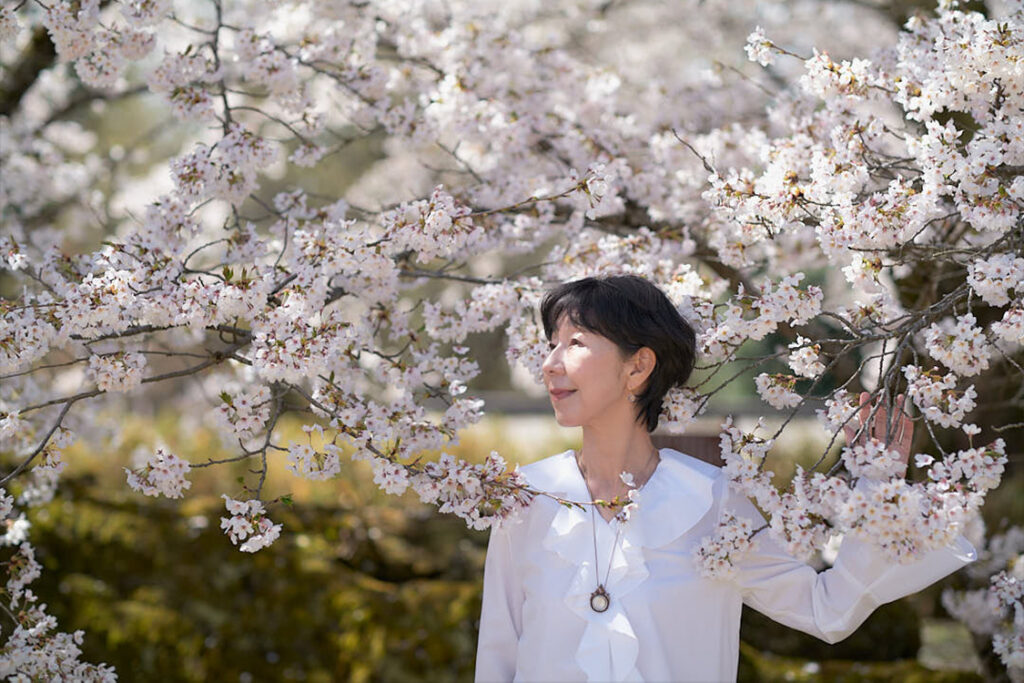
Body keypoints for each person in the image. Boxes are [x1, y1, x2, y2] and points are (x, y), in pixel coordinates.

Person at [474, 274, 976, 682]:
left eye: (575, 343)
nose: (550, 364)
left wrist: (878, 485)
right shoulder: (526, 498)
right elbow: (497, 657)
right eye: (551, 344)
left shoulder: (710, 502)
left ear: (637, 367)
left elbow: (826, 611)